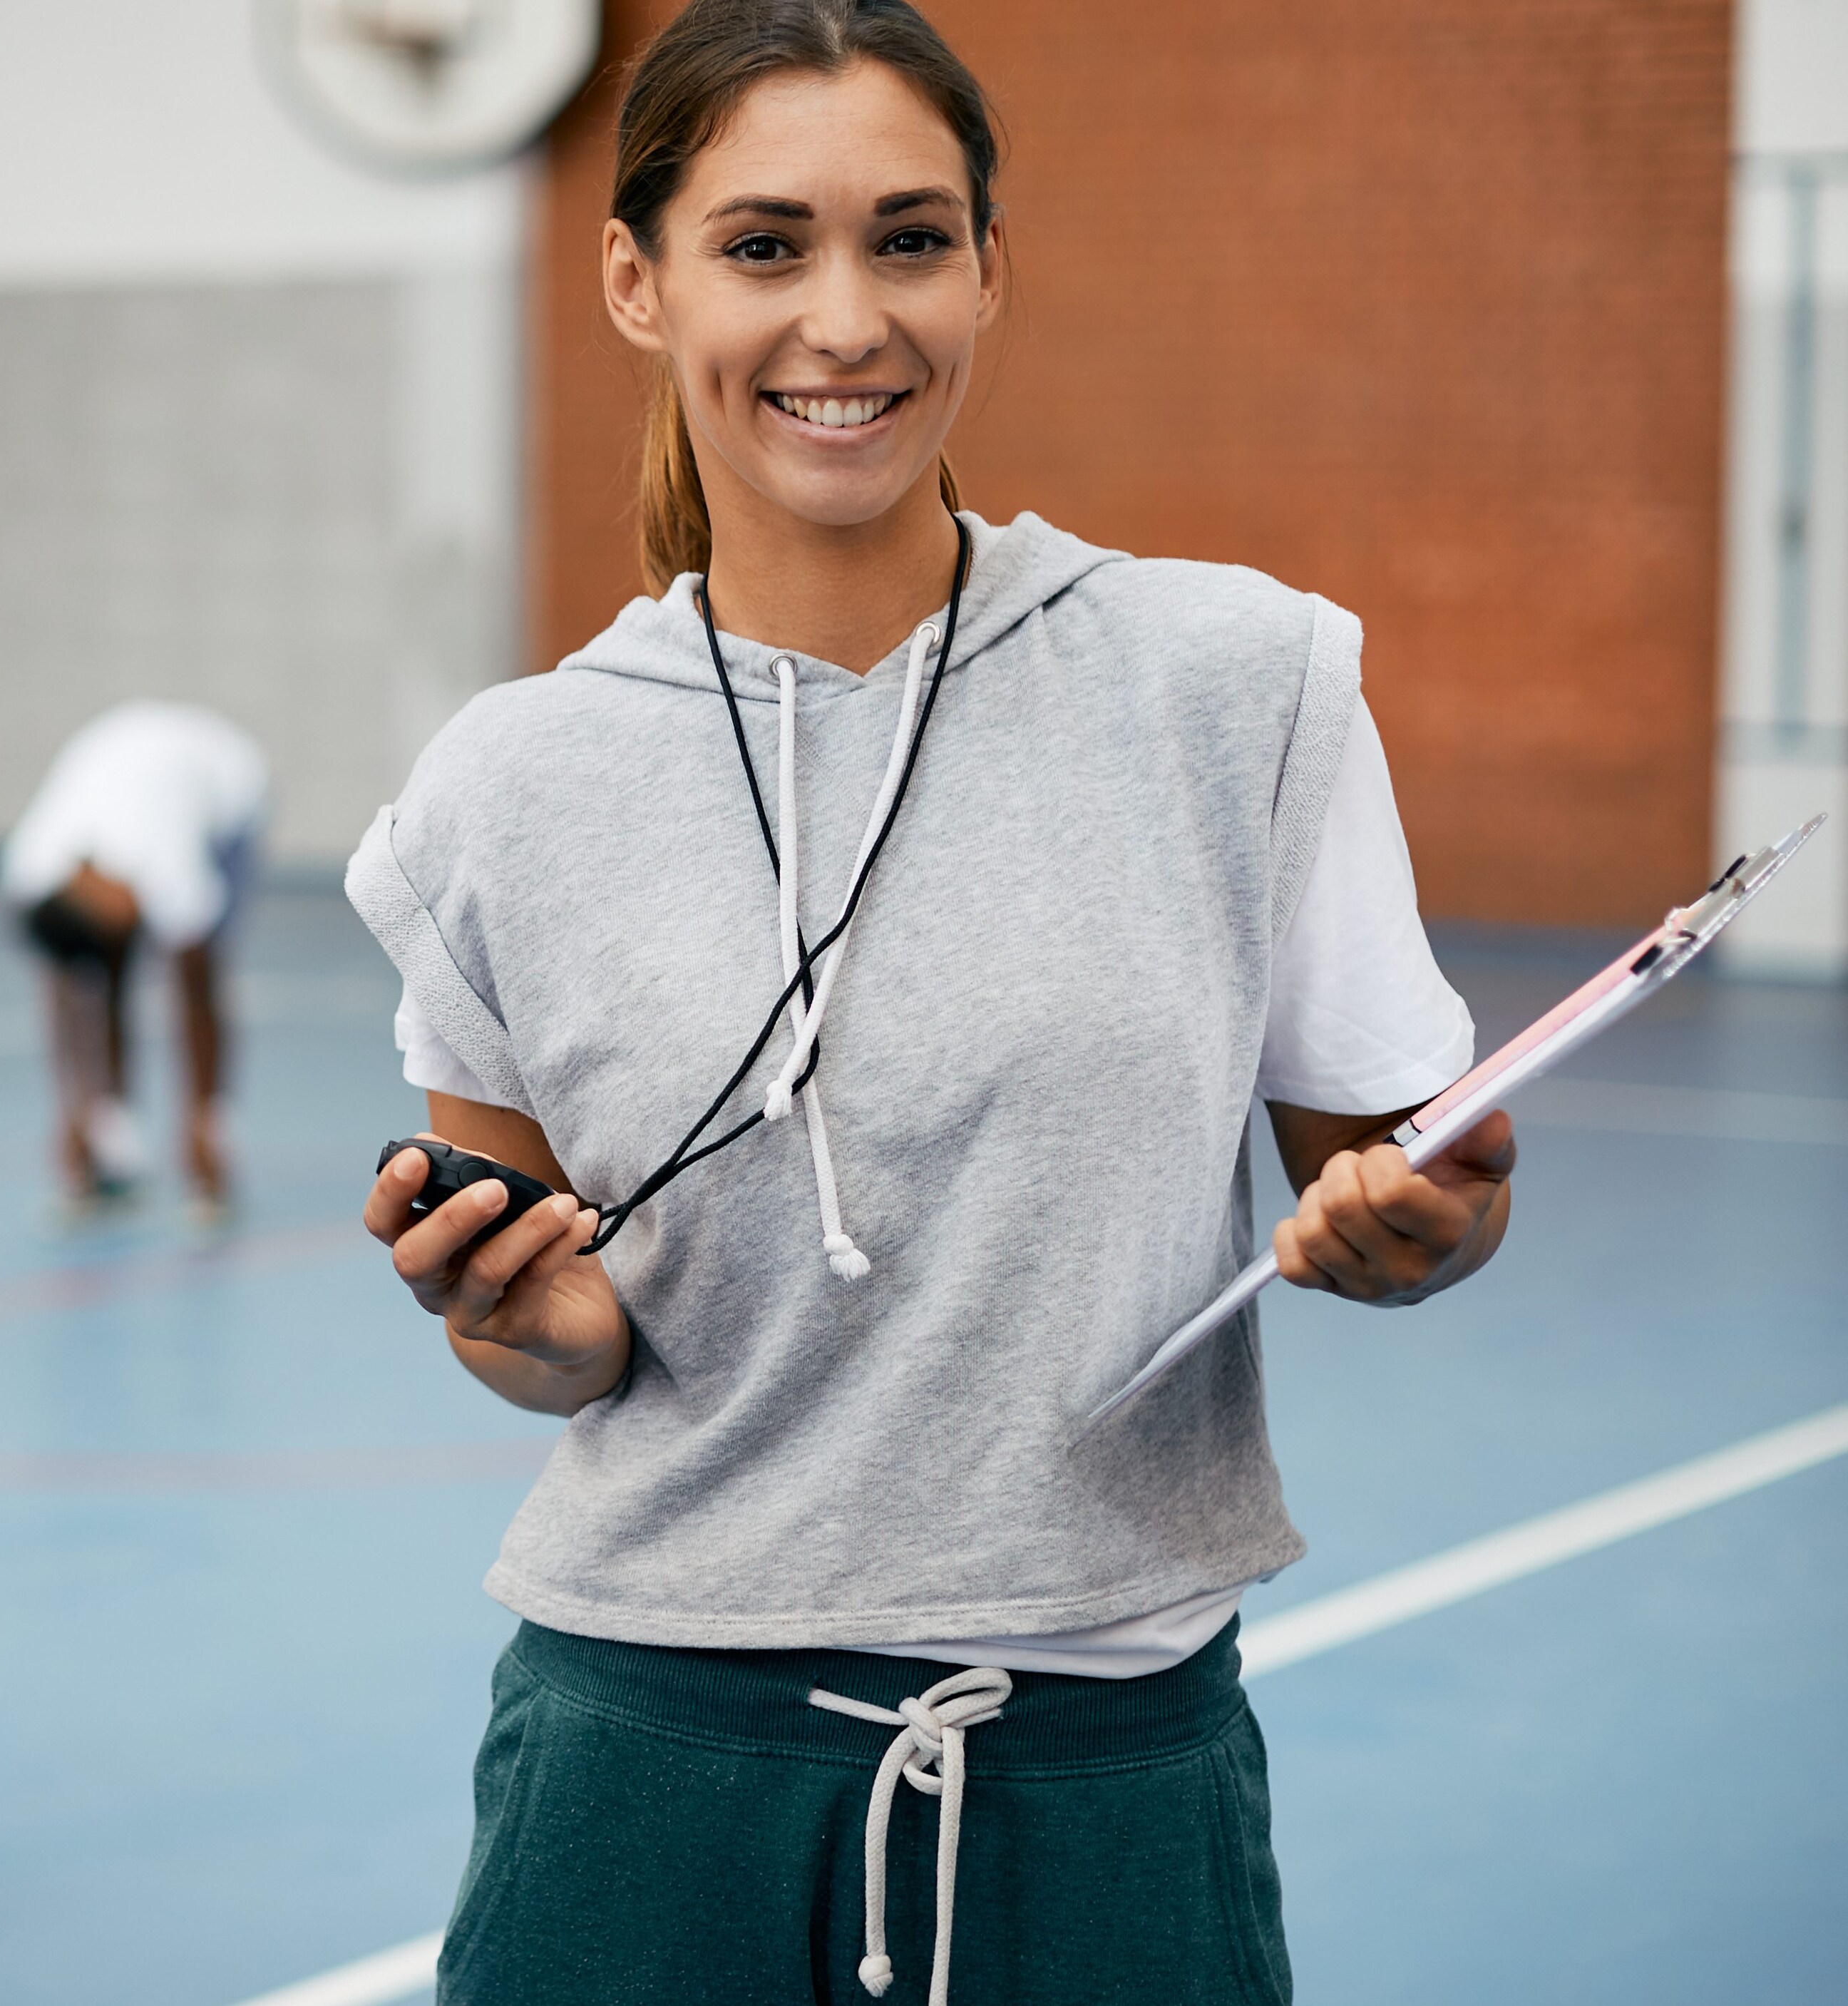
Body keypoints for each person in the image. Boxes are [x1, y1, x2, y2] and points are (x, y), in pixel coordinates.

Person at [344, 5, 1511, 2000]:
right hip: (639, 1778)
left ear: (989, 267)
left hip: (1104, 1774)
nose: (845, 319)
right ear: (638, 281)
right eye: (764, 244)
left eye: (908, 238)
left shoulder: (1239, 685)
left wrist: (1427, 1223)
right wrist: (526, 1326)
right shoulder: (500, 787)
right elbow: (557, 1344)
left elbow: (1405, 1188)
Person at [0, 702, 268, 1223]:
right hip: (118, 752)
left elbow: (199, 992)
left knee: (199, 959)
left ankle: (210, 1137)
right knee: (99, 978)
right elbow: (65, 995)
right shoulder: (29, 870)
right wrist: (78, 1112)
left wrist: (204, 1123)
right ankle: (114, 1137)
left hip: (231, 792)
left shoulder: (167, 861)